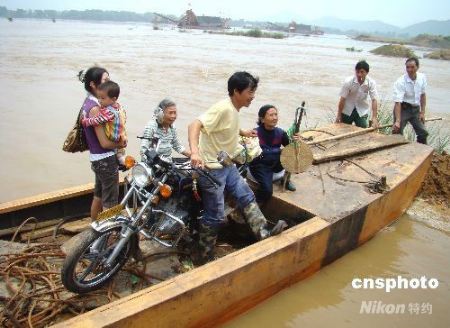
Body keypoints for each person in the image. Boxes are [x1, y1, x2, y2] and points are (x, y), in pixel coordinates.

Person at [188, 71, 287, 264]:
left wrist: (242, 132)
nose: (253, 96)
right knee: (215, 215)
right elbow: (194, 124)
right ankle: (204, 255)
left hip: (227, 163)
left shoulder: (233, 110)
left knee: (246, 196)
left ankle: (264, 234)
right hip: (212, 169)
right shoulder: (223, 108)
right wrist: (194, 152)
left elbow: (225, 127)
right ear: (236, 91)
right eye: (250, 92)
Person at [78, 67, 126, 220]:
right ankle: (109, 236)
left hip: (97, 159)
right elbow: (105, 143)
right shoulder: (95, 109)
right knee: (110, 202)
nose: (108, 83)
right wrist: (121, 145)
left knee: (98, 196)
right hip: (105, 159)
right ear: (93, 84)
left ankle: (95, 230)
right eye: (105, 80)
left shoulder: (88, 103)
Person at [249, 105, 299, 205]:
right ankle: (253, 207)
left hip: (275, 163)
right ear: (262, 119)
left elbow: (291, 148)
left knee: (290, 152)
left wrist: (296, 142)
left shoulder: (280, 132)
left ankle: (286, 179)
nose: (275, 117)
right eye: (271, 115)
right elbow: (251, 154)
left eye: (276, 114)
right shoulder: (255, 133)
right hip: (261, 165)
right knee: (267, 191)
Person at [81, 80, 127, 165]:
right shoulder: (120, 107)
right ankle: (121, 158)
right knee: (120, 150)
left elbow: (97, 120)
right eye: (99, 97)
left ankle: (121, 159)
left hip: (113, 136)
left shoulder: (107, 112)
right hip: (121, 134)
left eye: (102, 98)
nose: (99, 101)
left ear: (113, 99)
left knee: (118, 147)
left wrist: (85, 122)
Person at [392, 57, 428, 144]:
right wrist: (397, 121)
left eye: (412, 67)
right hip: (403, 108)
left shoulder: (422, 77)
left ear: (417, 67)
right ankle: (396, 152)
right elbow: (398, 102)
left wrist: (422, 112)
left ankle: (421, 152)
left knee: (423, 133)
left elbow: (423, 95)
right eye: (407, 67)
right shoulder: (400, 81)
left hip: (416, 109)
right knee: (397, 132)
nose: (409, 70)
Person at [335, 60, 379, 128]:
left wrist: (374, 118)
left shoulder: (371, 83)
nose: (359, 75)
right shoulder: (348, 82)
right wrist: (338, 115)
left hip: (361, 110)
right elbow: (342, 99)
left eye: (362, 72)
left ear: (367, 72)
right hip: (347, 110)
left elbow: (374, 100)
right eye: (357, 72)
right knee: (343, 129)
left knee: (363, 127)